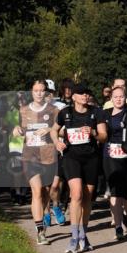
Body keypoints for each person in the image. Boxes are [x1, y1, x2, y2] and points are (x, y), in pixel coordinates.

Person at [50, 83, 107, 253]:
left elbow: (104, 136)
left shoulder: (96, 112)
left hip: (91, 158)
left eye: (87, 93)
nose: (84, 95)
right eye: (81, 93)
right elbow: (54, 130)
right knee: (76, 194)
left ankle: (83, 233)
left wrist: (93, 133)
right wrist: (57, 142)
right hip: (71, 157)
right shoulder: (65, 113)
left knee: (87, 198)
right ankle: (74, 236)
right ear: (73, 97)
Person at [14, 78, 58, 244]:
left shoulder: (54, 110)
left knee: (47, 191)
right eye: (36, 90)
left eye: (42, 90)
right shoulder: (23, 110)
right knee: (37, 191)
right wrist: (16, 129)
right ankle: (40, 230)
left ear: (46, 92)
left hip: (48, 155)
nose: (39, 93)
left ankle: (44, 213)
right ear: (31, 92)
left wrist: (50, 129)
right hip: (30, 156)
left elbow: (61, 131)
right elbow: (17, 128)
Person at [102, 85, 127, 240]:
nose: (118, 99)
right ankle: (117, 226)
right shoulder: (105, 114)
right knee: (115, 190)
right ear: (111, 99)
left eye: (121, 96)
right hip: (110, 155)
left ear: (125, 98)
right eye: (115, 97)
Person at [48, 78, 74, 227]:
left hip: (64, 148)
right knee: (49, 184)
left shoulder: (69, 105)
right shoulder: (55, 106)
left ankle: (60, 205)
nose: (68, 91)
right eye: (66, 88)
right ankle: (49, 210)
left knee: (61, 182)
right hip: (46, 149)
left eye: (50, 93)